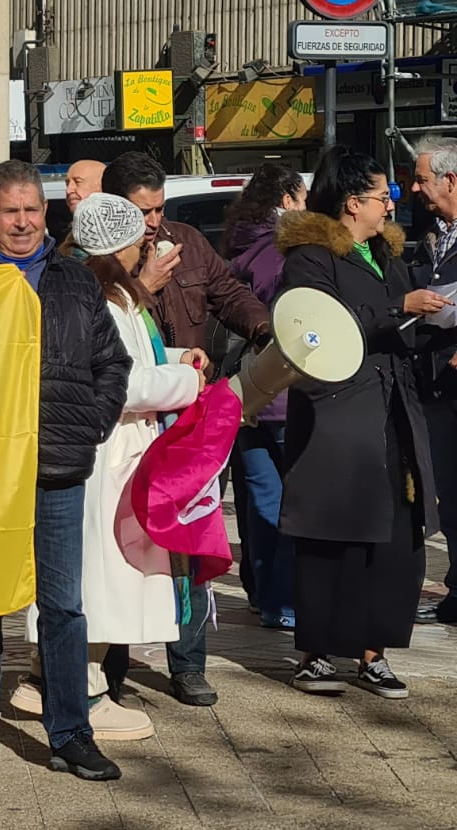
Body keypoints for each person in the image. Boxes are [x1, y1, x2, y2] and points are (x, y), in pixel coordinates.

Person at [0, 160, 131, 782]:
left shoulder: (74, 280)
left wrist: (88, 423)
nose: (23, 223)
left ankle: (71, 734)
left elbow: (111, 365)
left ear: (49, 214)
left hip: (57, 468)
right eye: (11, 211)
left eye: (33, 210)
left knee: (63, 606)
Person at [13, 193, 202, 743]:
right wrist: (187, 383)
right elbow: (124, 383)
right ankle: (84, 687)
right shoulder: (103, 296)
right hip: (105, 452)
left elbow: (134, 362)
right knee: (95, 577)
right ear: (121, 246)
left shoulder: (94, 290)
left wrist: (173, 359)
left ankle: (48, 676)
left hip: (106, 451)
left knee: (89, 571)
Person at [101, 151, 272, 708]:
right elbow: (121, 346)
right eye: (141, 211)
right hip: (134, 425)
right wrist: (143, 281)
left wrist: (267, 328)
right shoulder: (99, 261)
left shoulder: (189, 241)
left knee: (194, 538)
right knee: (124, 541)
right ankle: (113, 665)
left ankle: (189, 665)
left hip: (191, 416)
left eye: (158, 209)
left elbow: (229, 295)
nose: (153, 223)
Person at [276, 146, 443, 698]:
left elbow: (403, 325)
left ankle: (375, 652)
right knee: (331, 534)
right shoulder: (311, 257)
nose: (390, 205)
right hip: (338, 414)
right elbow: (318, 324)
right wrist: (399, 312)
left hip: (393, 409)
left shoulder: (386, 255)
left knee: (397, 535)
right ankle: (316, 653)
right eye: (382, 196)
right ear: (352, 203)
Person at [222, 165, 308, 630]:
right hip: (282, 390)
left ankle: (261, 593)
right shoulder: (284, 253)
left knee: (260, 499)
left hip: (242, 392)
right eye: (303, 196)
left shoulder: (240, 246)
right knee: (287, 502)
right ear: (288, 199)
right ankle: (282, 601)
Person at [408, 136, 457, 626]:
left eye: (422, 179)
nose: (415, 189)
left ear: (451, 180)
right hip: (437, 381)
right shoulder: (436, 233)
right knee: (450, 492)